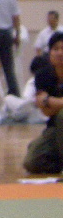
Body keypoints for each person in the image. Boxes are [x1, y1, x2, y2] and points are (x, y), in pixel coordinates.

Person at [23, 31, 63, 174]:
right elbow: (45, 111)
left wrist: (50, 100)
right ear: (50, 53)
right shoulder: (43, 75)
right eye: (56, 49)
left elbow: (47, 104)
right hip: (55, 129)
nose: (60, 53)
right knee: (31, 162)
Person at [5, 55, 49, 124]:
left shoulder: (33, 81)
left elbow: (27, 101)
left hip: (33, 114)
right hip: (42, 112)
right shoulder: (52, 78)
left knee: (8, 98)